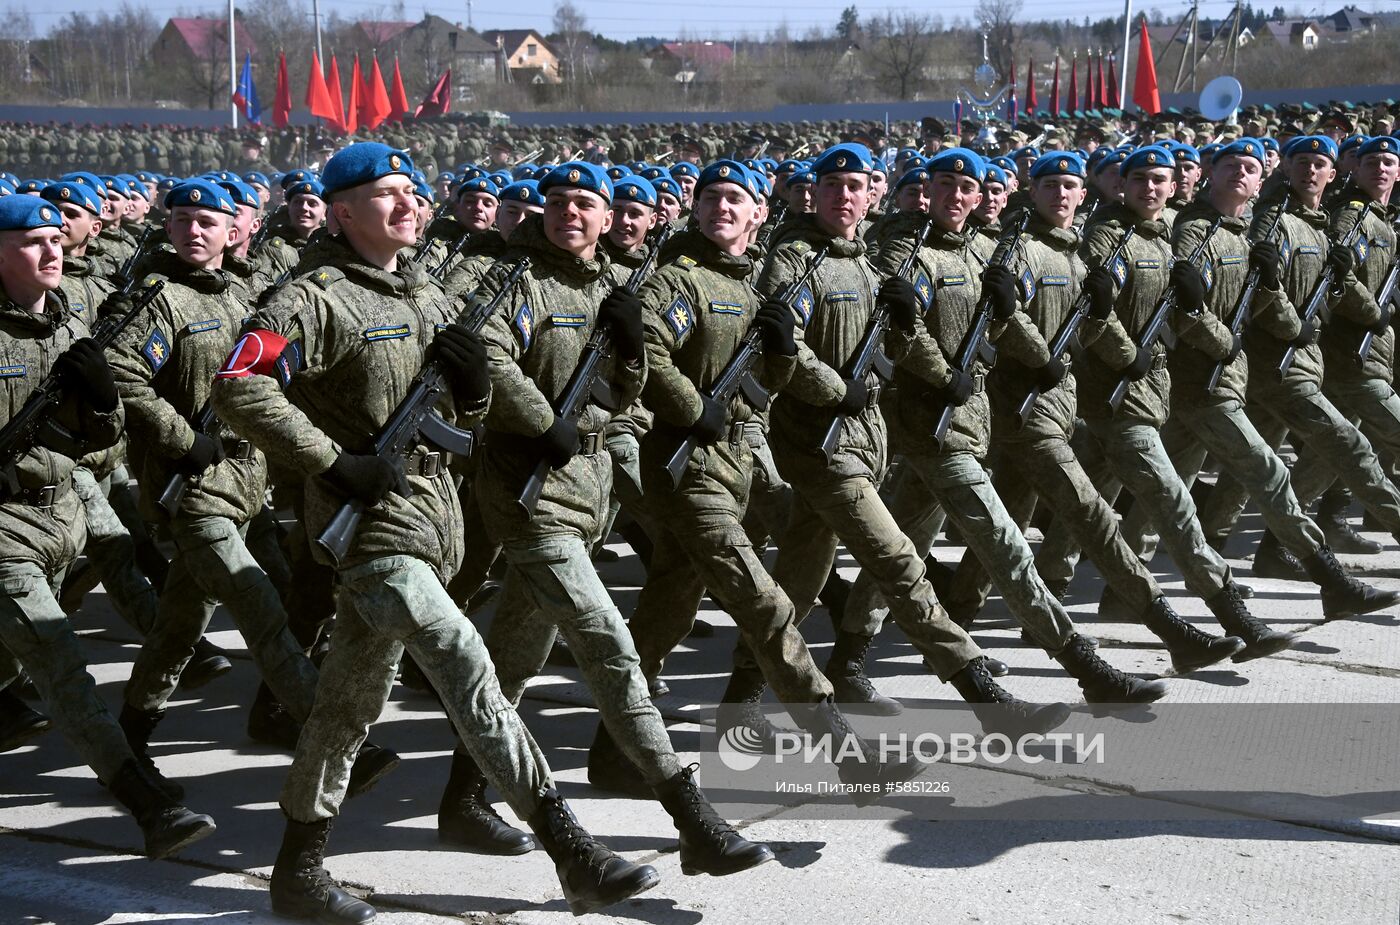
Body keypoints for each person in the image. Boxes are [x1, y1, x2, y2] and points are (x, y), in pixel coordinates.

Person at [215, 145, 662, 921]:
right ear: (342, 210)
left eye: (411, 193)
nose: (407, 205)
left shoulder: (425, 293)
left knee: (347, 704)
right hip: (373, 532)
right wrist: (331, 460)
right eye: (385, 195)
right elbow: (238, 385)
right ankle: (570, 848)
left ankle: (298, 868)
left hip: (432, 522)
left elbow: (466, 420)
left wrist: (477, 393)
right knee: (466, 665)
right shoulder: (313, 298)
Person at [464, 159, 774, 872]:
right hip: (527, 489)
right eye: (559, 202)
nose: (571, 214)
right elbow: (488, 351)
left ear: (610, 220)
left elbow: (626, 386)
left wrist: (632, 350)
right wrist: (544, 420)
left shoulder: (614, 285)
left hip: (586, 492)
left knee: (513, 655)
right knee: (609, 643)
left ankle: (463, 794)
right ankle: (690, 814)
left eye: (586, 205)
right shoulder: (517, 278)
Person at [939, 152, 1246, 673]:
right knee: (1092, 515)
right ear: (1030, 192)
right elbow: (1007, 324)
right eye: (1051, 185)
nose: (1061, 195)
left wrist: (1105, 317)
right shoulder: (1019, 250)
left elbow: (1085, 325)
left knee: (1006, 522)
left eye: (1070, 186)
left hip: (1059, 408)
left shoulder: (1078, 253)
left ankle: (954, 626)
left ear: (1085, 195)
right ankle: (1168, 626)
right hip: (1026, 410)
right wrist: (1066, 358)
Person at [0, 192, 216, 858]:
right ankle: (143, 800)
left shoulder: (70, 327)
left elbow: (107, 436)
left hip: (61, 514)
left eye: (55, 236)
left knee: (20, 653)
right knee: (60, 662)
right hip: (4, 525)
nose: (52, 247)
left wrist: (100, 399)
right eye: (32, 240)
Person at [1115, 138, 1397, 621]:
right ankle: (1329, 577)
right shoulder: (1199, 232)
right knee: (1275, 468)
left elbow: (1268, 291)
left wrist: (1283, 288)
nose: (1240, 174)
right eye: (1231, 166)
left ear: (1261, 176)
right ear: (1211, 172)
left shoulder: (1247, 229)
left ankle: (1122, 594)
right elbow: (1185, 306)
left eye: (1249, 167)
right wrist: (1277, 324)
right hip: (1208, 377)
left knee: (1175, 485)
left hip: (1230, 377)